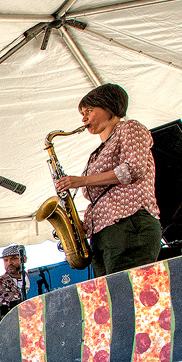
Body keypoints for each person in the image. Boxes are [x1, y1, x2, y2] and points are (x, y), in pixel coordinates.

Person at [53, 83, 162, 276]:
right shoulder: (97, 153)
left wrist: (81, 181)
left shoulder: (130, 127)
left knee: (125, 295)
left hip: (129, 224)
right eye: (82, 113)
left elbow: (132, 170)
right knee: (112, 299)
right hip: (105, 233)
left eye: (89, 110)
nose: (84, 118)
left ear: (109, 107)